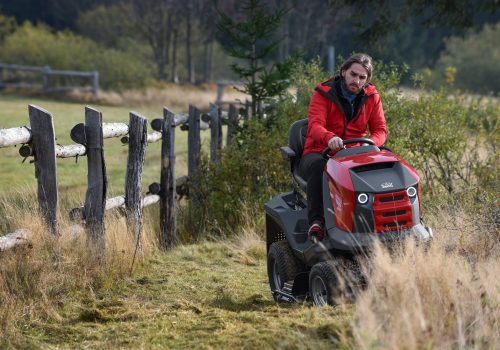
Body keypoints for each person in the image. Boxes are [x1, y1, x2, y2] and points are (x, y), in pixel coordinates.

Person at [299, 53, 387, 242]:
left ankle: (388, 219)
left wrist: (371, 143)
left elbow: (380, 130)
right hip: (319, 151)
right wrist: (329, 137)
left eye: (362, 77)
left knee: (389, 162)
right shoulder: (323, 92)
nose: (356, 81)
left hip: (355, 152)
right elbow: (315, 126)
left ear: (367, 80)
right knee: (319, 168)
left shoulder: (372, 96)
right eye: (353, 75)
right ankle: (317, 222)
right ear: (343, 72)